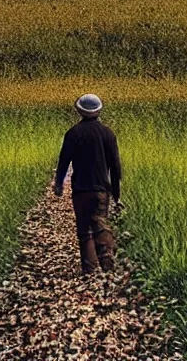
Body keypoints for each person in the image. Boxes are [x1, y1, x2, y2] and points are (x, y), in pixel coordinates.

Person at [54, 93, 122, 274]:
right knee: (101, 223)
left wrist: (59, 184)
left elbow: (63, 161)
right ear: (99, 111)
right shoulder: (108, 133)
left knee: (84, 229)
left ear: (79, 111)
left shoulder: (72, 133)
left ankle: (89, 269)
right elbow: (115, 166)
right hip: (101, 188)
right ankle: (108, 265)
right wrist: (116, 193)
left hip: (81, 189)